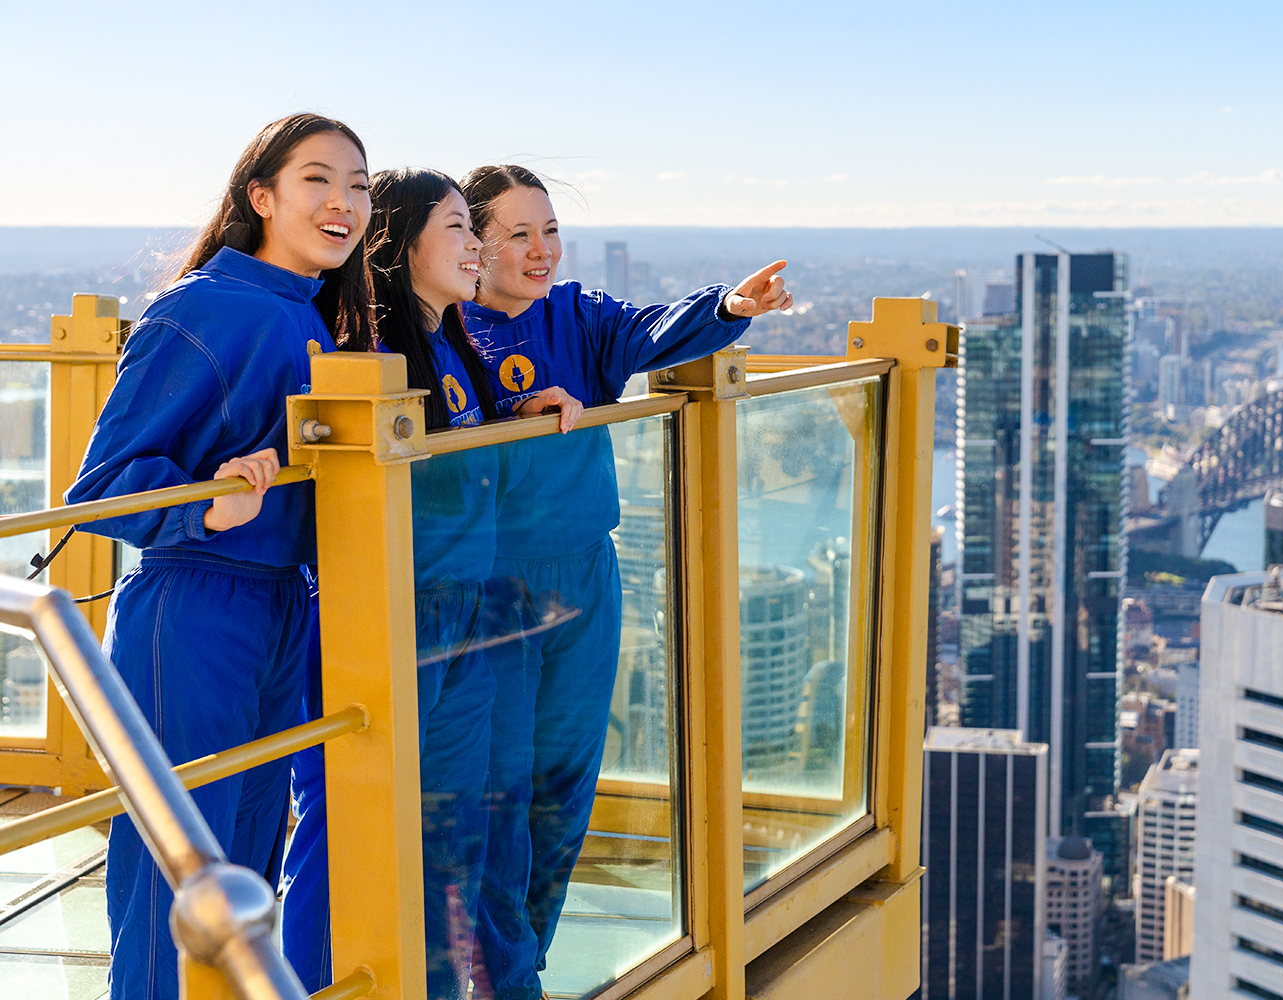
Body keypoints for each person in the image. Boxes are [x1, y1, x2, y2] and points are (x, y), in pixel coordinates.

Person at [459, 164, 791, 1000]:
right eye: (518, 234)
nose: (542, 251)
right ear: (472, 243)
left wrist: (728, 309)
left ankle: (518, 966)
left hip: (585, 577)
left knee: (563, 790)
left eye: (551, 231)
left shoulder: (576, 316)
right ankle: (501, 981)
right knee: (496, 797)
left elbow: (652, 331)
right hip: (487, 587)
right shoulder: (441, 329)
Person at [64, 113, 375, 1000]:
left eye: (357, 185)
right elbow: (102, 487)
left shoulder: (313, 315)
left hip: (282, 603)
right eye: (318, 179)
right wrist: (209, 502)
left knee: (243, 866)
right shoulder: (204, 307)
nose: (343, 202)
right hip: (194, 609)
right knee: (181, 873)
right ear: (261, 196)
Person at [277, 166, 579, 998]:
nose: (477, 246)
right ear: (399, 246)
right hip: (384, 614)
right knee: (348, 837)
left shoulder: (456, 349)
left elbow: (444, 458)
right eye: (457, 229)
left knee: (452, 841)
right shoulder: (359, 350)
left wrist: (510, 420)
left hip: (465, 616)